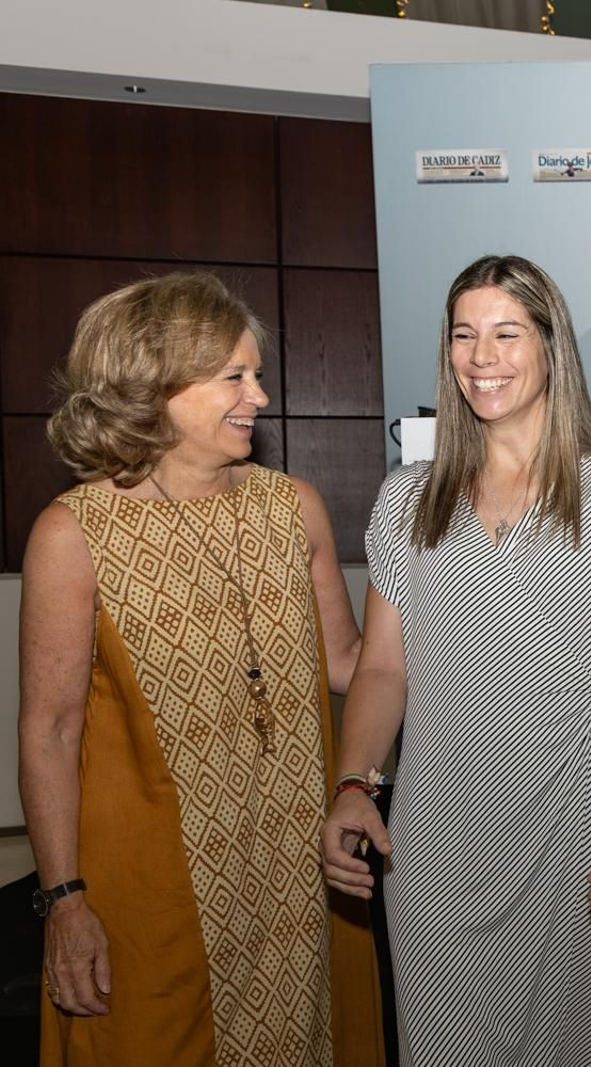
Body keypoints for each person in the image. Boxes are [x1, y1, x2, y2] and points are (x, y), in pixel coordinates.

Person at [321, 254, 591, 1066]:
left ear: (552, 346)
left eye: (506, 333)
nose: (482, 356)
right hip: (436, 842)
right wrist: (352, 781)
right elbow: (383, 668)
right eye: (464, 334)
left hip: (579, 829)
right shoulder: (408, 497)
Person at [18, 272, 383, 1066]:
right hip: (148, 884)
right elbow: (49, 731)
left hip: (295, 863)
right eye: (233, 377)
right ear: (152, 386)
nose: (257, 395)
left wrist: (506, 645)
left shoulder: (295, 505)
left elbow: (353, 661)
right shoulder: (71, 535)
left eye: (257, 374)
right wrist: (64, 899)